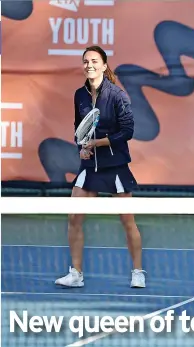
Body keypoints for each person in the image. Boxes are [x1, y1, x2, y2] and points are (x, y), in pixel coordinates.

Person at [55, 45, 146, 289]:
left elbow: (127, 131)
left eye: (94, 61)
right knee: (74, 217)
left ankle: (138, 271)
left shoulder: (117, 95)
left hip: (114, 164)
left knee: (127, 220)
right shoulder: (79, 95)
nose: (89, 65)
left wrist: (99, 143)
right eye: (86, 61)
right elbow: (79, 129)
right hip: (89, 166)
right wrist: (82, 148)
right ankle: (76, 273)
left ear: (104, 66)